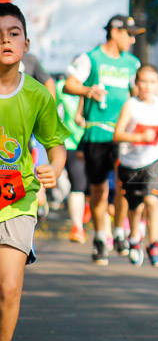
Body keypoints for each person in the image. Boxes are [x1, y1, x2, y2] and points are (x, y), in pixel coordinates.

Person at [0, 3, 69, 341]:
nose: (5, 40)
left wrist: (54, 169)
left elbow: (55, 146)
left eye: (13, 33)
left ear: (25, 43)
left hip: (17, 199)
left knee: (9, 288)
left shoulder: (37, 94)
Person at [63, 15, 143, 265]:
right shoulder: (91, 58)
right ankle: (99, 237)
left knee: (123, 184)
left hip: (124, 134)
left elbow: (137, 92)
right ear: (114, 32)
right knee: (98, 188)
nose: (132, 40)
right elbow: (69, 85)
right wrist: (88, 91)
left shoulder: (133, 63)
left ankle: (118, 231)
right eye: (129, 34)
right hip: (97, 132)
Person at [112, 65, 158, 267]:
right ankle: (135, 238)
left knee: (152, 200)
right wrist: (139, 137)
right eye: (143, 81)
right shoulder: (131, 105)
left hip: (154, 160)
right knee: (135, 207)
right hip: (130, 163)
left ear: (157, 84)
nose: (147, 86)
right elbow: (117, 135)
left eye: (152, 82)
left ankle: (154, 244)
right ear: (136, 83)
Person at [55, 75, 88, 243]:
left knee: (96, 189)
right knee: (78, 185)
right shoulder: (62, 87)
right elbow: (51, 109)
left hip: (94, 141)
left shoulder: (94, 86)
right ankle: (78, 227)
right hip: (70, 144)